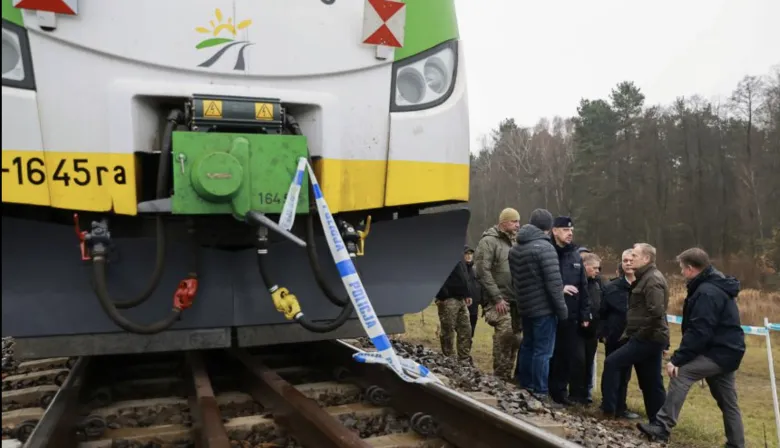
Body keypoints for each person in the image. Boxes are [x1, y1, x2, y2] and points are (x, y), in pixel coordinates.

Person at [637, 248, 746, 447]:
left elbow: (700, 331)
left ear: (689, 268)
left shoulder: (706, 292)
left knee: (681, 373)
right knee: (728, 401)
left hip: (719, 351)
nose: (680, 272)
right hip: (727, 350)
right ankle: (737, 444)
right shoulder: (713, 284)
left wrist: (678, 359)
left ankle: (662, 426)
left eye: (681, 268)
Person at [601, 243, 669, 422]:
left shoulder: (652, 279)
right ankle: (657, 422)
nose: (631, 259)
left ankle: (608, 411)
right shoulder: (644, 277)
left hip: (647, 338)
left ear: (646, 259)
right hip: (648, 336)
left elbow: (656, 313)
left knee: (612, 362)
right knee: (650, 381)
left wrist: (638, 334)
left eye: (635, 255)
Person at [509, 209, 567, 406]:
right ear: (548, 228)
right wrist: (562, 310)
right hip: (544, 308)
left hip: (525, 306)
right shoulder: (545, 248)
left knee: (528, 346)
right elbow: (554, 283)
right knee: (543, 352)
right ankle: (541, 391)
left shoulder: (516, 248)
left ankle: (526, 385)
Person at [548, 216, 591, 406]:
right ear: (555, 230)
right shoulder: (548, 251)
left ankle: (560, 393)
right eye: (566, 230)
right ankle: (544, 389)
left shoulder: (574, 254)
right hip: (550, 312)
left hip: (571, 315)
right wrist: (559, 289)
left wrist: (584, 313)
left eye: (571, 230)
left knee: (566, 355)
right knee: (550, 353)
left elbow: (583, 285)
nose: (570, 233)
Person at [474, 208, 521, 380]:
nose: (517, 225)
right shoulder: (489, 242)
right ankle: (500, 377)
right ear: (504, 222)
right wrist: (497, 298)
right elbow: (482, 271)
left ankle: (507, 376)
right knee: (505, 335)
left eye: (518, 221)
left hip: (515, 300)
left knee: (516, 339)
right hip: (498, 299)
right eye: (514, 221)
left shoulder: (516, 242)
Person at [599, 250, 641, 420]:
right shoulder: (611, 287)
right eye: (625, 260)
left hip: (636, 337)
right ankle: (608, 406)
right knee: (612, 371)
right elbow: (602, 312)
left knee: (625, 374)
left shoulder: (645, 285)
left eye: (631, 260)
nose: (628, 263)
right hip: (615, 336)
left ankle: (621, 407)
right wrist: (602, 332)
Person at [434, 248, 474, 361]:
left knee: (466, 329)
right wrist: (443, 295)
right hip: (448, 299)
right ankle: (449, 359)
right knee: (448, 330)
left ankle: (464, 359)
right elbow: (437, 275)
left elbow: (464, 277)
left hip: (461, 299)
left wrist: (467, 294)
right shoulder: (442, 253)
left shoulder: (459, 255)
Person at [580, 251, 603, 405]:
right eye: (594, 268)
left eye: (599, 268)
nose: (597, 271)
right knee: (579, 360)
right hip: (578, 329)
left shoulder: (598, 283)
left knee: (589, 361)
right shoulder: (579, 283)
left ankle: (586, 392)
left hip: (593, 330)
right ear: (585, 266)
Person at [463, 246, 482, 337]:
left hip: (474, 305)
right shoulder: (459, 270)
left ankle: (467, 349)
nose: (469, 256)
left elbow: (480, 286)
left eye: (470, 254)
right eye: (466, 254)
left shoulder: (475, 270)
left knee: (471, 330)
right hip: (462, 304)